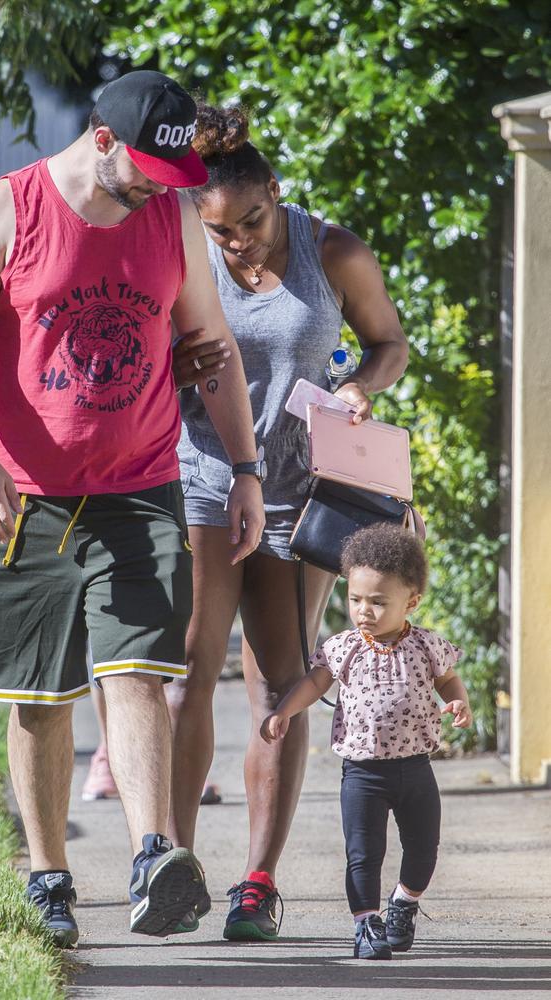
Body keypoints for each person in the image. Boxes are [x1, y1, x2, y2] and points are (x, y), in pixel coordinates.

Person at [0, 70, 265, 947]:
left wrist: (244, 467)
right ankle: (49, 877)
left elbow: (209, 341)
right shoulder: (11, 207)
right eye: (153, 171)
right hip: (22, 493)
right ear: (105, 141)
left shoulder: (173, 215)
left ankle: (156, 854)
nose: (165, 190)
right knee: (39, 696)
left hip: (140, 483)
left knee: (140, 670)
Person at [165, 103, 410, 941]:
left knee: (282, 679)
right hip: (201, 482)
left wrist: (360, 387)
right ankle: (172, 867)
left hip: (304, 496)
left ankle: (258, 885)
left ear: (277, 190)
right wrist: (171, 362)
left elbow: (389, 341)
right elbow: (143, 352)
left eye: (253, 222)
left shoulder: (329, 249)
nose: (239, 246)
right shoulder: (187, 250)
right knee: (187, 679)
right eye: (221, 232)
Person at [261, 524, 473, 959]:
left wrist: (457, 704)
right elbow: (315, 680)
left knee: (423, 849)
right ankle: (365, 924)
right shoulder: (344, 647)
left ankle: (403, 903)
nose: (364, 611)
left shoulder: (427, 645)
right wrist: (285, 710)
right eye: (356, 600)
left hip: (415, 767)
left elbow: (450, 681)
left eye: (378, 602)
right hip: (362, 773)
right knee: (363, 854)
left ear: (411, 601)